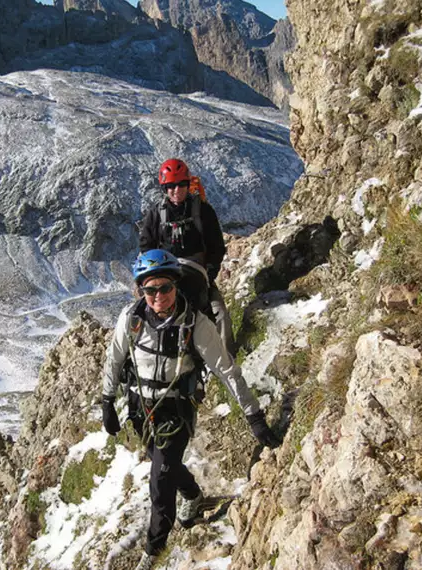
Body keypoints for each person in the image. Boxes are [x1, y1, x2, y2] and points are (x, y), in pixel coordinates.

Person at [102, 249, 280, 570]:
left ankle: (152, 552)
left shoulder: (195, 324)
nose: (158, 296)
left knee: (160, 479)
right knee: (163, 463)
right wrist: (106, 401)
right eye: (150, 289)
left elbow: (226, 369)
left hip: (177, 410)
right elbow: (115, 359)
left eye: (165, 288)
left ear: (177, 286)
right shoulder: (130, 319)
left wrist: (253, 415)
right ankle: (193, 495)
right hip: (141, 408)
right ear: (141, 290)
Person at [139, 158, 235, 354]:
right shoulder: (156, 214)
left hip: (199, 272)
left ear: (188, 184)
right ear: (164, 188)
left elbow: (216, 245)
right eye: (171, 186)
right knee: (142, 315)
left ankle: (227, 361)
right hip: (165, 273)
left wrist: (210, 270)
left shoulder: (203, 211)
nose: (176, 190)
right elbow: (146, 246)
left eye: (181, 184)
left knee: (221, 316)